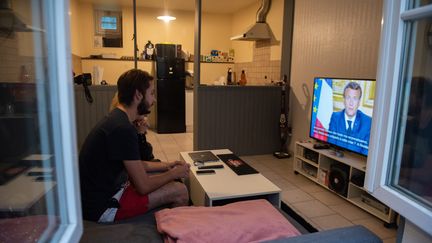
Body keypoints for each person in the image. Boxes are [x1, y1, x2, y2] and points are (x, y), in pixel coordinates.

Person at [79, 69, 190, 222]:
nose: (154, 100)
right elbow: (143, 186)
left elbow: (137, 164)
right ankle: (177, 234)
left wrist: (168, 165)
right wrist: (174, 173)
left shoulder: (118, 119)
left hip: (102, 196)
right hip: (103, 207)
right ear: (138, 95)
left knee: (165, 178)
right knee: (180, 190)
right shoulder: (123, 129)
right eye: (151, 93)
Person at [327, 82, 372, 155]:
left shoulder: (367, 122)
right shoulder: (335, 117)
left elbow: (365, 152)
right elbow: (332, 145)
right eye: (348, 97)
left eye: (355, 98)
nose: (351, 103)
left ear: (359, 102)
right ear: (344, 100)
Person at [110, 92, 156, 161]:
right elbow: (141, 161)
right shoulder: (124, 128)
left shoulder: (131, 123)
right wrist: (140, 134)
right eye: (151, 93)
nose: (154, 100)